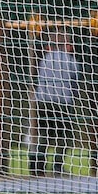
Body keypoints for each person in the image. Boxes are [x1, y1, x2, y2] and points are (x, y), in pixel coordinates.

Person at [31, 29, 80, 176]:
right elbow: (75, 82)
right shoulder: (70, 61)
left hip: (43, 101)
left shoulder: (45, 59)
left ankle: (37, 167)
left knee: (44, 135)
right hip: (62, 102)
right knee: (64, 136)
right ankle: (57, 166)